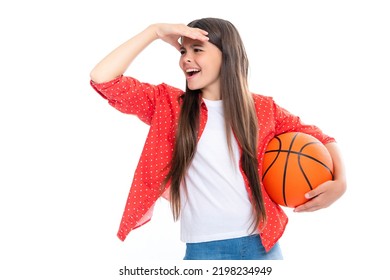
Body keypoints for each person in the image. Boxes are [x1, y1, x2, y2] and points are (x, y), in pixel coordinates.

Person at [89, 17, 346, 260]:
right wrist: (154, 31)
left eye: (197, 50)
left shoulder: (263, 109)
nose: (186, 59)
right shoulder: (169, 105)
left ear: (227, 56)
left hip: (262, 245)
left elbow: (321, 137)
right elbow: (103, 79)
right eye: (182, 52)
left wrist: (341, 182)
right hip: (204, 249)